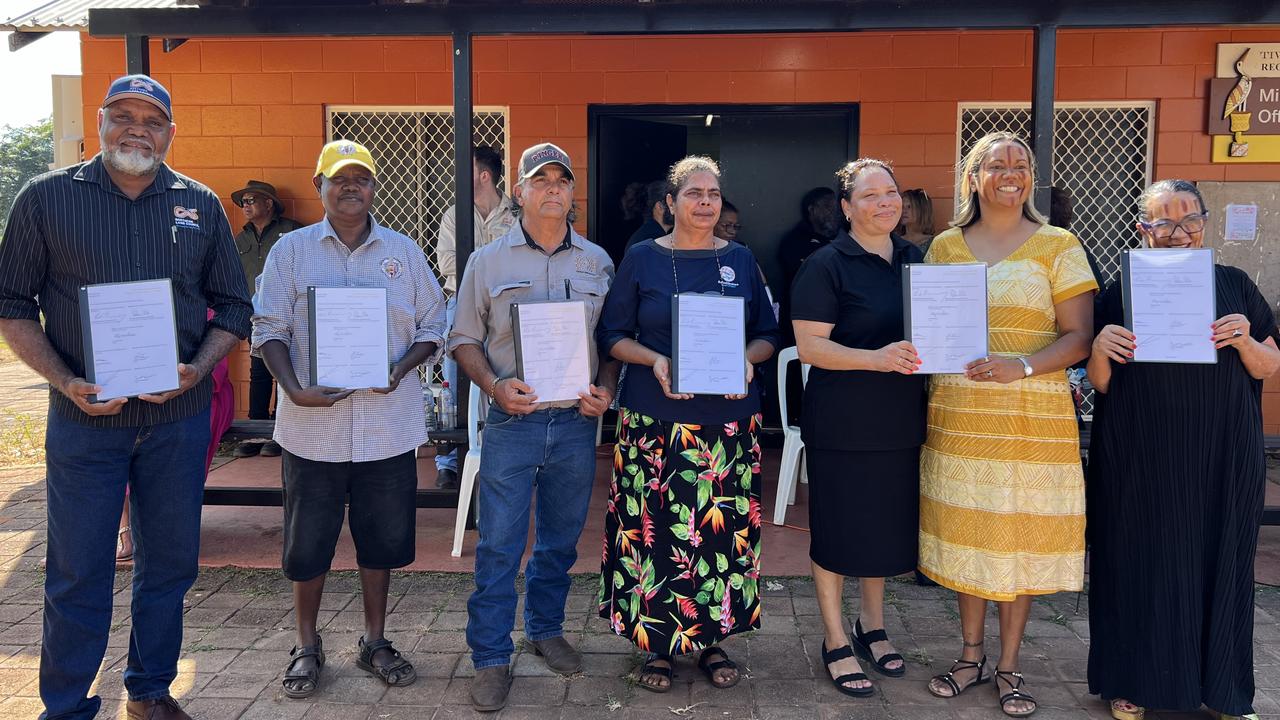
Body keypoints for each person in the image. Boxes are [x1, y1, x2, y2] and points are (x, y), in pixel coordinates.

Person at [0, 74, 252, 720]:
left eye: (153, 119)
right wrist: (65, 381)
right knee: (78, 571)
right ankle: (66, 708)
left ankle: (148, 691)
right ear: (101, 121)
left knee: (168, 566)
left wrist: (197, 369)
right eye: (124, 115)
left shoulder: (197, 204)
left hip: (177, 419)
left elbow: (235, 306)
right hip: (86, 424)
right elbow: (11, 305)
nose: (138, 128)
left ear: (171, 132)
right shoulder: (46, 200)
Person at [253, 140, 447, 699]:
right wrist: (294, 391)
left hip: (388, 424)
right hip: (312, 430)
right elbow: (268, 329)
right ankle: (306, 644)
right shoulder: (289, 253)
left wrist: (400, 368)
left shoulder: (405, 254)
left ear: (372, 187)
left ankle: (375, 640)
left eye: (361, 178)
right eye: (339, 179)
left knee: (381, 541)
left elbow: (435, 324)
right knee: (307, 545)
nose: (350, 187)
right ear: (319, 186)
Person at [1086, 180, 1280, 720]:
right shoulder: (1119, 288)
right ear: (1141, 229)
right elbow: (1101, 383)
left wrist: (1244, 341)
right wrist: (1100, 348)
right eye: (1162, 222)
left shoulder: (1236, 285)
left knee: (1224, 564)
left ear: (1204, 221)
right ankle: (1134, 682)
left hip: (1221, 452)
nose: (1177, 233)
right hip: (1141, 454)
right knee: (1137, 560)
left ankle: (1224, 691)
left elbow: (1270, 365)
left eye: (1188, 219)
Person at [920, 132, 1097, 718]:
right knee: (972, 536)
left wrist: (1018, 365)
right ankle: (969, 656)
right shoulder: (944, 247)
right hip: (962, 415)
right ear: (974, 177)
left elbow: (1078, 338)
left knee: (1016, 540)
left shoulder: (1058, 244)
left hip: (1031, 418)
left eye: (1020, 165)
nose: (1010, 174)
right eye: (996, 165)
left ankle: (1010, 665)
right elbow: (932, 327)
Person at [597, 156, 780, 695]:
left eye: (714, 194)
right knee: (655, 532)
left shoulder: (742, 259)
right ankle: (654, 643)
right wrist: (653, 359)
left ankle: (710, 638)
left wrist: (749, 359)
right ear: (668, 205)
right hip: (657, 419)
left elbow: (768, 330)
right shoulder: (641, 259)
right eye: (693, 193)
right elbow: (612, 334)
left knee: (718, 537)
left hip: (726, 423)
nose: (705, 202)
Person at [449, 142, 617, 712]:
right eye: (539, 179)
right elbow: (463, 341)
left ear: (573, 192)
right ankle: (491, 657)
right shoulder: (487, 262)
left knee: (560, 541)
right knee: (498, 545)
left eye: (561, 180)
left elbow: (610, 344)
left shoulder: (596, 262)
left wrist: (607, 387)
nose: (551, 189)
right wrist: (495, 386)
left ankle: (544, 629)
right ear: (518, 190)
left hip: (574, 424)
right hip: (511, 422)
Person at [791, 159, 925, 697]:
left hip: (899, 418)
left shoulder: (917, 259)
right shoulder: (826, 264)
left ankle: (872, 626)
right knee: (840, 527)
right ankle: (833, 638)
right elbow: (810, 346)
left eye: (890, 192)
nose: (884, 203)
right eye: (869, 196)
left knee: (882, 526)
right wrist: (877, 359)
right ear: (847, 208)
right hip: (843, 419)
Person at [433, 146, 516, 489]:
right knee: (456, 376)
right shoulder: (455, 213)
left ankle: (507, 449)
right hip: (461, 300)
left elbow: (516, 263)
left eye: (465, 169)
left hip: (503, 304)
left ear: (484, 175)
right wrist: (489, 262)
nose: (457, 176)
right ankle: (448, 461)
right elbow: (446, 263)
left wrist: (479, 261)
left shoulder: (515, 213)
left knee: (508, 372)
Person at [231, 179, 301, 458]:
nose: (245, 206)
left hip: (290, 313)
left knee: (286, 370)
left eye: (250, 201)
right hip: (256, 315)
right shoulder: (241, 238)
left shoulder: (292, 233)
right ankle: (256, 432)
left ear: (268, 203)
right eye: (243, 202)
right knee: (258, 372)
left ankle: (279, 431)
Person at [624, 179, 673, 252]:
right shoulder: (654, 240)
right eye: (671, 204)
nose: (677, 209)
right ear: (660, 207)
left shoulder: (647, 234)